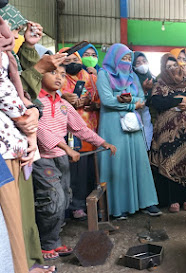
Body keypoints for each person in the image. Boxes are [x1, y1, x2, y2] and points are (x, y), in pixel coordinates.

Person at [1, 5, 65, 272]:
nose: (13, 33)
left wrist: (29, 47)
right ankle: (25, 263)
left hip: (19, 142)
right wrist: (27, 117)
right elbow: (20, 90)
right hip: (12, 140)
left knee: (24, 211)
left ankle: (30, 260)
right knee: (14, 216)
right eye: (14, 29)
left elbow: (22, 82)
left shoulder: (10, 56)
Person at [33, 64, 116, 260]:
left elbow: (81, 129)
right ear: (39, 74)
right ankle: (45, 244)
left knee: (64, 199)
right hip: (43, 160)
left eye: (62, 74)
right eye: (53, 73)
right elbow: (40, 130)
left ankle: (53, 242)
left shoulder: (63, 104)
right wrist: (66, 148)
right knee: (51, 201)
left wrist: (103, 142)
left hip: (60, 159)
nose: (59, 78)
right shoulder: (35, 101)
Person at [97, 43, 161, 219]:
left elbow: (141, 97)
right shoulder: (103, 74)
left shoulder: (132, 75)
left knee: (139, 163)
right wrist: (132, 104)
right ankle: (118, 207)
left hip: (132, 124)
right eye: (122, 58)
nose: (126, 62)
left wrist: (133, 101)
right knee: (117, 164)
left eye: (128, 59)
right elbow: (107, 100)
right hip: (113, 125)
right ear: (113, 58)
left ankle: (146, 202)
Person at [149, 53, 186, 213]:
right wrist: (179, 101)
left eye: (174, 65)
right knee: (170, 161)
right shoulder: (160, 83)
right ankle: (173, 200)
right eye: (168, 67)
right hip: (167, 133)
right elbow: (156, 102)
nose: (172, 69)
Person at [58, 48, 101, 220]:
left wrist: (91, 102)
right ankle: (74, 207)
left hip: (91, 130)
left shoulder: (91, 77)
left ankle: (90, 205)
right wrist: (65, 100)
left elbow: (99, 99)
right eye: (66, 61)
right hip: (69, 133)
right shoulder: (59, 77)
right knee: (74, 172)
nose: (72, 64)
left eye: (74, 60)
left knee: (90, 171)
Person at [132, 51, 154, 150]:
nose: (142, 65)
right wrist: (144, 90)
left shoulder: (153, 78)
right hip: (135, 114)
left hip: (149, 117)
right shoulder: (131, 79)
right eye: (138, 63)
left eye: (144, 61)